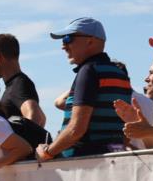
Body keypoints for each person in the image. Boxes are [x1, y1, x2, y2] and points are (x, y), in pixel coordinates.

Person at [36, 17, 131, 161]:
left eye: (68, 38)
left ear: (90, 41)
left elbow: (76, 129)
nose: (63, 46)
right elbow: (125, 128)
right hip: (113, 157)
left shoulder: (89, 71)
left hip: (83, 162)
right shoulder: (119, 73)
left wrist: (47, 152)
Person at [0, 33, 46, 126]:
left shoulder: (18, 85)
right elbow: (41, 118)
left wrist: (20, 136)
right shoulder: (17, 83)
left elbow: (36, 116)